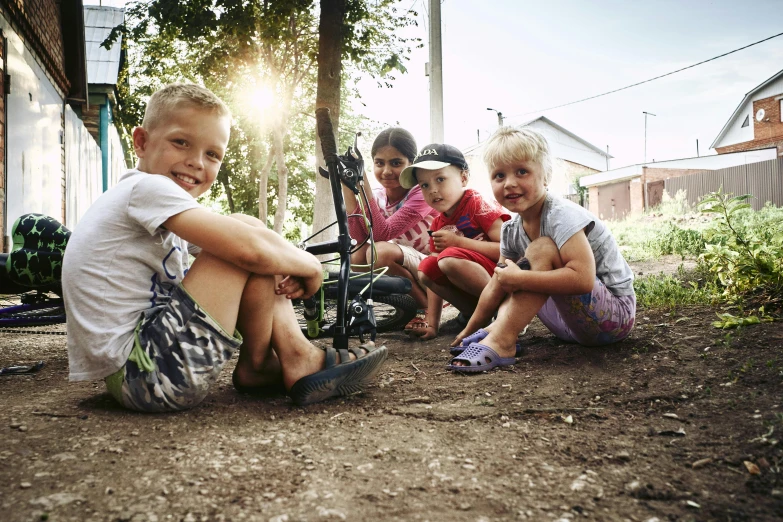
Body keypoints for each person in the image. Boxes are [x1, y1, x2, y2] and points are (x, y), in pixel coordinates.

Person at [62, 83, 386, 412]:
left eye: (212, 154)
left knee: (243, 227)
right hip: (146, 376)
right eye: (180, 142)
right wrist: (309, 265)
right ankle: (295, 356)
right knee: (243, 243)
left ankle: (264, 364)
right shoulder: (146, 188)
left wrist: (280, 257)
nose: (196, 162)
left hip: (145, 370)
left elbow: (250, 240)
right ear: (142, 142)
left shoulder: (150, 202)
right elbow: (248, 250)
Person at [449, 127, 636, 372]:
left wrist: (521, 278)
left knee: (541, 250)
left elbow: (582, 280)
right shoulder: (511, 229)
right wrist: (472, 328)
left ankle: (502, 341)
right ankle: (497, 332)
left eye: (522, 172)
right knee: (511, 272)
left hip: (612, 321)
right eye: (499, 176)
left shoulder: (562, 216)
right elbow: (498, 284)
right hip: (566, 325)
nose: (510, 183)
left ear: (545, 175)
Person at [398, 144, 510, 340]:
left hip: (503, 281)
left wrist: (459, 243)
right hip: (478, 288)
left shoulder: (477, 204)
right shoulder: (439, 222)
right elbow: (434, 273)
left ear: (464, 177)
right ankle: (475, 315)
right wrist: (433, 325)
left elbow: (510, 250)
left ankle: (506, 316)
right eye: (424, 185)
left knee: (449, 258)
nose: (433, 190)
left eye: (440, 179)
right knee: (427, 268)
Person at [344, 128, 438, 326]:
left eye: (396, 163)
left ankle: (426, 309)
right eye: (379, 163)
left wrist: (362, 184)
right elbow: (358, 239)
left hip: (436, 270)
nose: (386, 171)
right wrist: (347, 185)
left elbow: (382, 233)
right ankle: (412, 303)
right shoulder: (378, 195)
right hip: (410, 265)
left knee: (379, 252)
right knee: (357, 255)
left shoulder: (420, 193)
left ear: (411, 163)